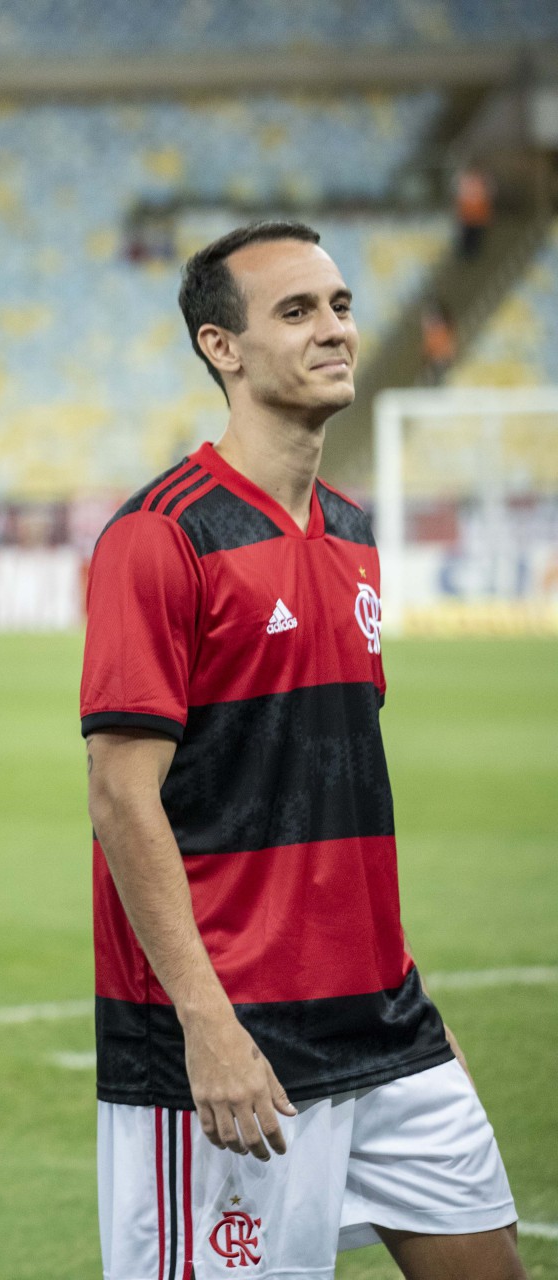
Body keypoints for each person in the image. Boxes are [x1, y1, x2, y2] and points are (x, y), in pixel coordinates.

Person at [84, 221, 523, 1280]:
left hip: (386, 1025)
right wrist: (208, 1023)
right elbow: (121, 796)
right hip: (238, 1037)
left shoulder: (354, 529)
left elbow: (332, 794)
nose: (334, 329)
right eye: (296, 311)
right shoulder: (162, 535)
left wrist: (412, 998)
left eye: (338, 306)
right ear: (221, 347)